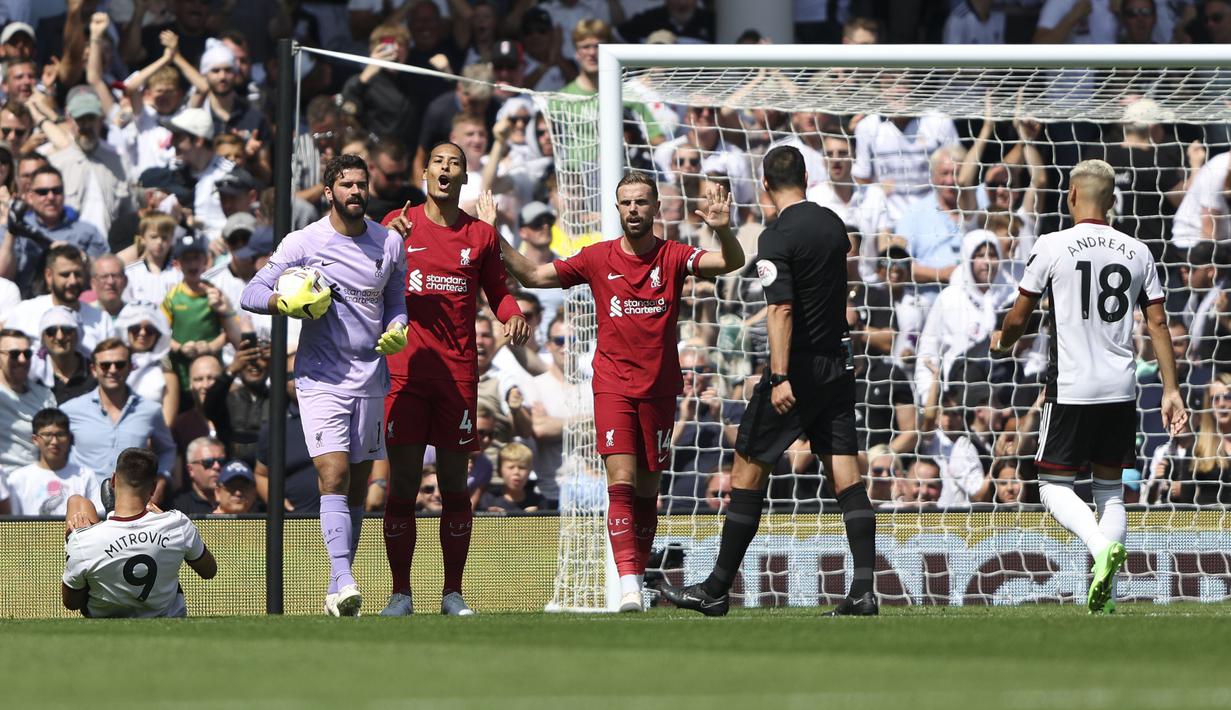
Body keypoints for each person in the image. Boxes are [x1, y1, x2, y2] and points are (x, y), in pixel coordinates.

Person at [500, 170, 744, 612]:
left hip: (660, 390)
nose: (633, 209)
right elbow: (533, 275)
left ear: (654, 208)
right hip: (613, 386)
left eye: (641, 202)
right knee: (622, 484)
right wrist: (490, 234)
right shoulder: (597, 257)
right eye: (626, 202)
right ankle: (629, 584)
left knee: (649, 491)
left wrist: (724, 230)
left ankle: (639, 576)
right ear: (617, 208)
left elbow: (730, 262)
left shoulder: (673, 256)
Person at [658, 145, 877, 617]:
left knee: (746, 470)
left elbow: (780, 310)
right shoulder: (834, 225)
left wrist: (778, 376)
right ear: (806, 177)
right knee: (846, 475)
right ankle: (863, 590)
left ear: (764, 186)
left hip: (795, 369)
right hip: (838, 365)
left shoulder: (776, 236)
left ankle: (716, 588)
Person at [992, 159, 1188, 614]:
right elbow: (1158, 323)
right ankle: (1107, 598)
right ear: (1113, 201)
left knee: (1051, 486)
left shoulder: (1052, 245)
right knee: (1110, 491)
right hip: (1120, 388)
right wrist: (1171, 391)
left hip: (1071, 386)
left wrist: (1002, 343)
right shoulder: (1137, 251)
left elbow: (1019, 317)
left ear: (1072, 195)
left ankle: (1100, 548)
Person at [241, 153, 409, 618]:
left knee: (356, 487)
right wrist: (284, 302)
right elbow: (251, 292)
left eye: (362, 184)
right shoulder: (304, 241)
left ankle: (338, 588)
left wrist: (398, 327)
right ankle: (344, 577)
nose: (356, 191)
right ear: (329, 191)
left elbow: (396, 299)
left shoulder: (389, 242)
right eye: (347, 184)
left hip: (371, 377)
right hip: (321, 378)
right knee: (332, 475)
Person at [376, 140, 530, 618]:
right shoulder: (397, 224)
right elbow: (369, 282)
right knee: (403, 482)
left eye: (455, 164)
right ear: (424, 173)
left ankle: (452, 592)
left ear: (464, 178)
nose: (446, 169)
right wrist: (386, 245)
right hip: (405, 372)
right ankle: (400, 593)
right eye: (438, 162)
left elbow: (497, 290)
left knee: (454, 484)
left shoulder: (480, 235)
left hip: (458, 376)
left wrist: (512, 313)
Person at [61, 447, 217, 618]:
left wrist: (74, 541)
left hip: (105, 621)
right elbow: (209, 571)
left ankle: (112, 516)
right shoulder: (177, 523)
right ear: (153, 488)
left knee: (77, 503)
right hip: (167, 620)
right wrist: (165, 518)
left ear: (113, 480)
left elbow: (72, 603)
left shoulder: (84, 540)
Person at [61, 338, 177, 504]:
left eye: (120, 364)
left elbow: (167, 450)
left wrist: (162, 478)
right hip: (85, 506)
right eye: (105, 365)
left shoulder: (150, 410)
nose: (113, 370)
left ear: (130, 368)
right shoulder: (70, 410)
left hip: (134, 505)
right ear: (93, 369)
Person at [6, 407, 101, 515]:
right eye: (47, 435)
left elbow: (98, 514)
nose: (54, 442)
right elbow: (10, 520)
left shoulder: (85, 476)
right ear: (35, 439)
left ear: (69, 438)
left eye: (60, 434)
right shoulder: (18, 479)